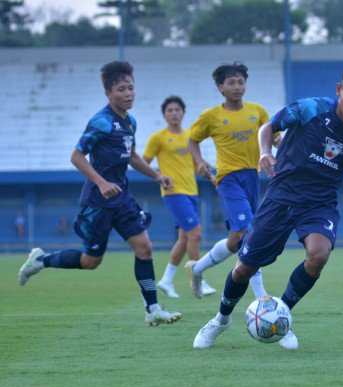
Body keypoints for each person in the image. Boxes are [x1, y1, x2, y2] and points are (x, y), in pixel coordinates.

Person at [192, 60, 343, 350]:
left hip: (320, 203)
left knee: (318, 255)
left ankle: (282, 315)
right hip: (281, 197)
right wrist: (265, 152)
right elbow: (269, 126)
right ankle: (220, 319)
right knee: (244, 268)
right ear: (339, 89)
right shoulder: (310, 108)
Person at [18, 60, 182, 327]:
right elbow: (76, 156)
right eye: (121, 89)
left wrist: (157, 175)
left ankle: (152, 310)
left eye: (131, 88)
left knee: (145, 248)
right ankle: (41, 260)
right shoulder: (101, 122)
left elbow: (131, 156)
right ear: (108, 93)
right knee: (90, 261)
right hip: (98, 200)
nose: (128, 93)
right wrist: (102, 182)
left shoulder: (130, 122)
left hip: (123, 198)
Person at [186, 62, 276, 299]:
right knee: (249, 232)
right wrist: (199, 161)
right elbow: (192, 140)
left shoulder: (257, 111)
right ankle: (261, 297)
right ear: (220, 87)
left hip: (252, 178)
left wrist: (279, 145)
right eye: (231, 82)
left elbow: (273, 137)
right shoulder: (211, 116)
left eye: (241, 82)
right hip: (227, 178)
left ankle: (196, 269)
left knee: (236, 240)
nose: (237, 87)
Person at [142, 95, 216, 299]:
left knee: (184, 239)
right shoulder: (158, 138)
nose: (174, 113)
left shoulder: (190, 138)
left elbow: (195, 166)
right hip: (173, 193)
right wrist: (159, 177)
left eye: (177, 110)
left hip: (192, 191)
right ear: (164, 115)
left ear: (183, 113)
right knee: (196, 233)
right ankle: (198, 281)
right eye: (169, 110)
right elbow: (143, 162)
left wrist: (210, 176)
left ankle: (166, 280)